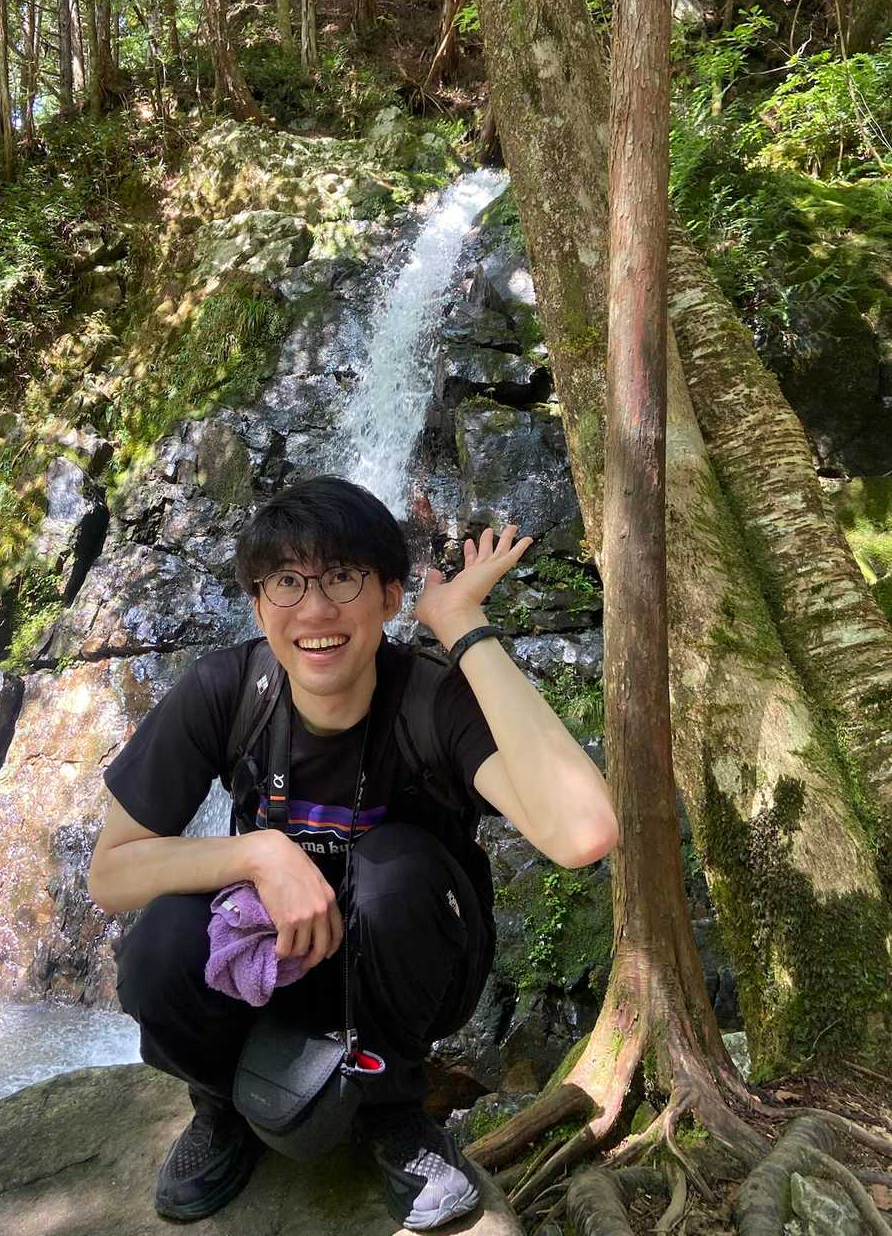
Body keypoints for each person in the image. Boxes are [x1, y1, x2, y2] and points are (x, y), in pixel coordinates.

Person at [88, 476, 618, 1230]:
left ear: (391, 597)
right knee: (157, 946)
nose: (315, 610)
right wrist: (259, 855)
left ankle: (393, 1111)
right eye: (286, 582)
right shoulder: (228, 690)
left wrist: (463, 626)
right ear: (258, 604)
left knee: (391, 868)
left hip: (409, 954)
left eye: (342, 577)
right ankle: (223, 1106)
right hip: (273, 957)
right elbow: (111, 872)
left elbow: (583, 833)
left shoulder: (429, 697)